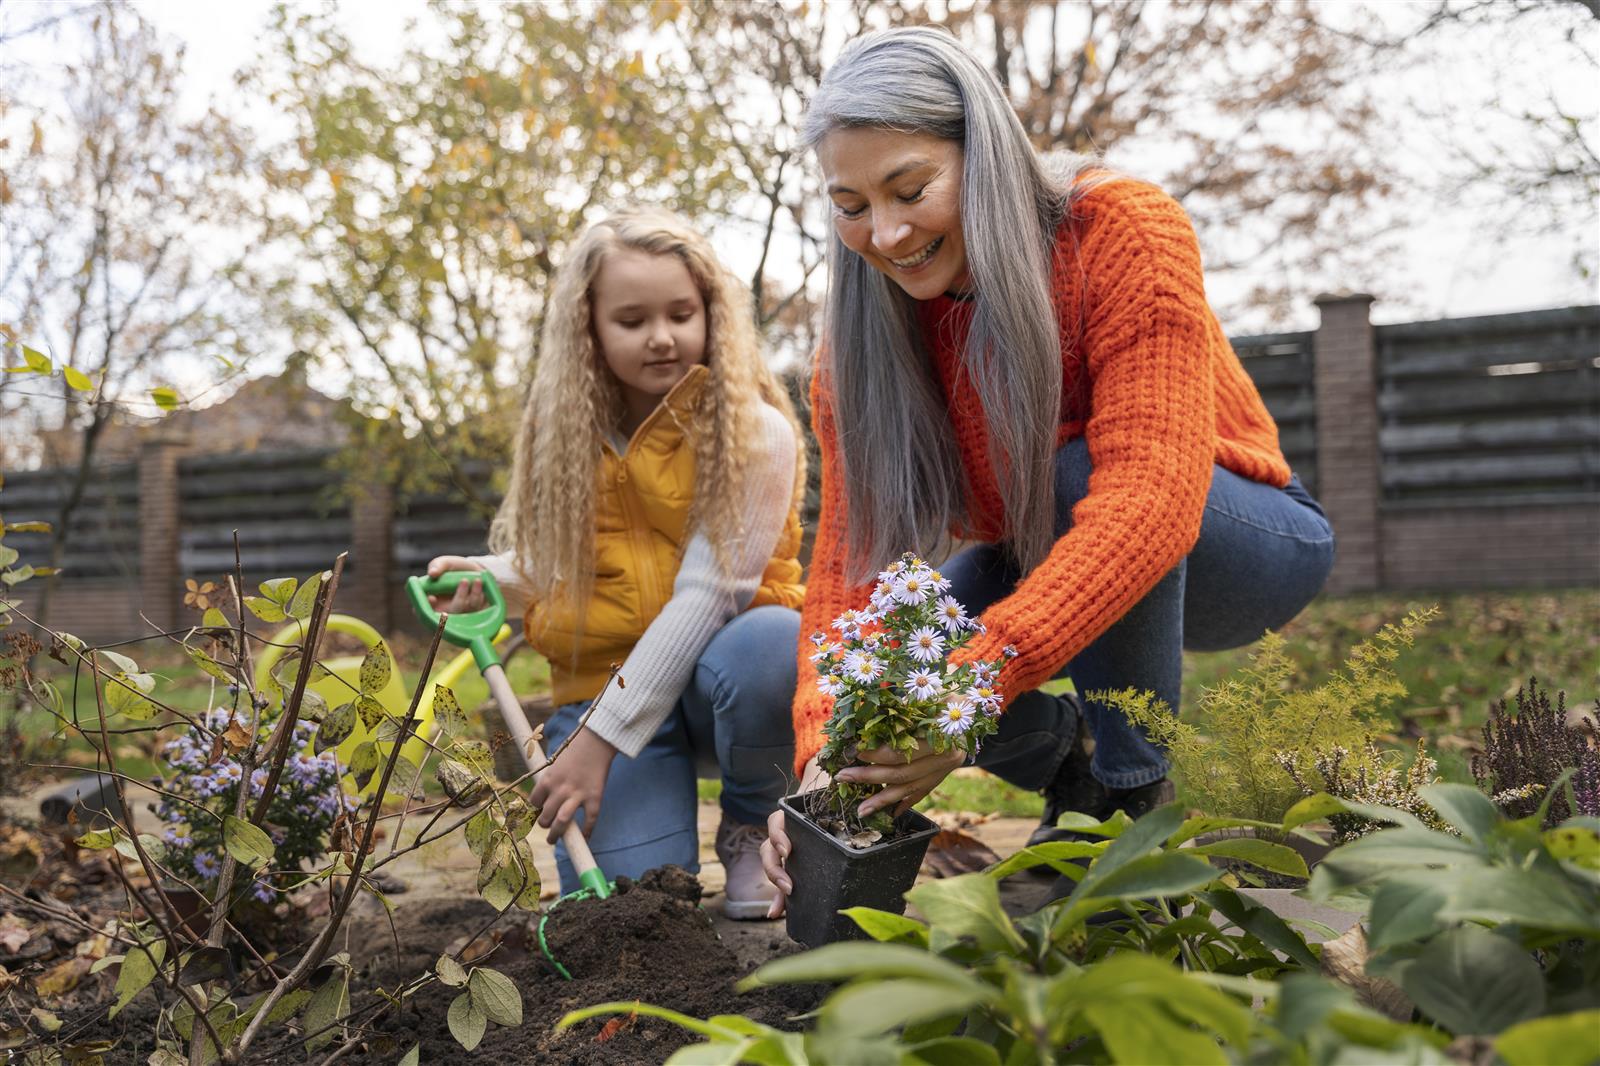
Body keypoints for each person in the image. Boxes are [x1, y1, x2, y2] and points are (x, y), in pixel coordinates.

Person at [761, 27, 1335, 915]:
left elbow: (1148, 502)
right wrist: (820, 758)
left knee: (1080, 476)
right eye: (851, 203)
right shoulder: (858, 345)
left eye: (910, 189)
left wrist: (968, 694)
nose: (886, 231)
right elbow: (847, 565)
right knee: (897, 648)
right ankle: (1072, 772)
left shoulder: (1121, 231)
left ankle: (1135, 802)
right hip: (1043, 546)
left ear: (982, 154)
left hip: (1248, 544)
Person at [428, 208, 806, 919]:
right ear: (590, 329)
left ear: (711, 316)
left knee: (774, 646)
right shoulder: (566, 435)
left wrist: (594, 743)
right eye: (632, 320)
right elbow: (569, 562)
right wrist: (492, 577)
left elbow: (707, 595)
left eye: (681, 313)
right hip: (603, 688)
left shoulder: (756, 433)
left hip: (718, 685)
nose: (662, 337)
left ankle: (754, 824)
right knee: (630, 913)